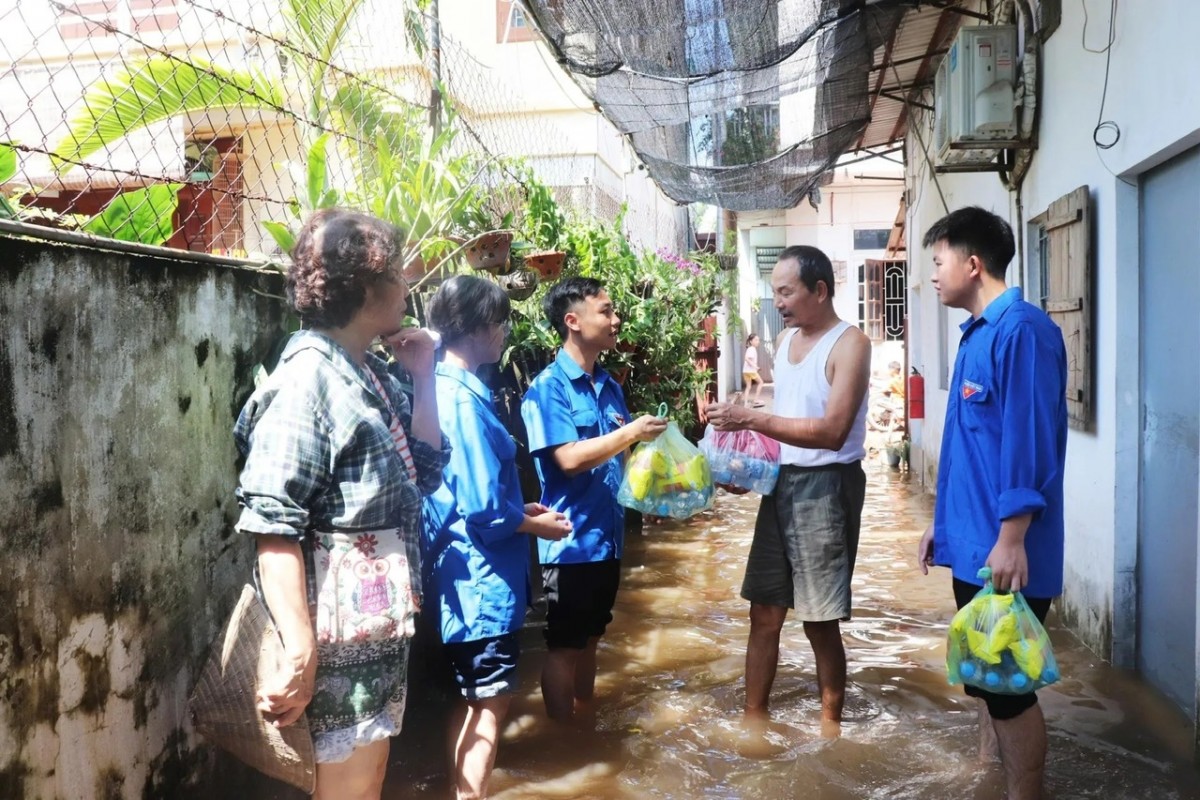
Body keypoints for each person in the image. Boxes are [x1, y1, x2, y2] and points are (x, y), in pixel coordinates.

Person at [233, 208, 450, 799]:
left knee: (366, 779)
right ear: (369, 285)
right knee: (347, 788)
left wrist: (424, 378)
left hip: (370, 633)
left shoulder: (367, 371)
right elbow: (272, 524)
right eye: (400, 274)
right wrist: (300, 651)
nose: (409, 286)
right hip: (333, 647)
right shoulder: (308, 381)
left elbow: (426, 471)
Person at [916, 207, 1067, 800]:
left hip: (1008, 551)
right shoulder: (977, 335)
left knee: (1008, 693)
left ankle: (1024, 792)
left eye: (938, 261)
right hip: (975, 543)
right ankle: (988, 776)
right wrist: (941, 528)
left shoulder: (1022, 331)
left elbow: (1028, 444)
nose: (931, 275)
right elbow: (970, 452)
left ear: (972, 264)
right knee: (985, 678)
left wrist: (1011, 537)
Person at [705, 245, 871, 731]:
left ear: (819, 290)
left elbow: (830, 431)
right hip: (782, 484)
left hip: (827, 487)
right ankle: (753, 720)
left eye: (786, 291)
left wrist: (751, 417)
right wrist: (746, 470)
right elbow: (786, 424)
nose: (777, 302)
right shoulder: (786, 343)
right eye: (774, 291)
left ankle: (829, 729)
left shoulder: (850, 344)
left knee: (820, 620)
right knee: (764, 612)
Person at [422, 276, 573, 799]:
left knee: (471, 701)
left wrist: (518, 508)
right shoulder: (463, 402)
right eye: (500, 321)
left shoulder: (443, 387)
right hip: (482, 583)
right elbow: (485, 509)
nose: (505, 330)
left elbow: (476, 494)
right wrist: (535, 523)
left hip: (459, 578)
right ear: (480, 328)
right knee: (491, 706)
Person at [520, 277, 668, 724]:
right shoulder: (549, 389)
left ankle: (585, 723)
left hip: (607, 539)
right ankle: (565, 743)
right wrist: (629, 433)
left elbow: (620, 458)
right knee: (565, 646)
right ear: (573, 321)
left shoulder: (608, 384)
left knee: (590, 640)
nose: (616, 319)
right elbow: (567, 459)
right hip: (570, 543)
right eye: (605, 311)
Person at [742, 333, 765, 407]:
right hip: (751, 371)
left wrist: (755, 366)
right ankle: (756, 400)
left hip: (745, 371)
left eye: (758, 340)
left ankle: (745, 403)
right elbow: (747, 358)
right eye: (756, 340)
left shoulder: (750, 349)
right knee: (761, 382)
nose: (758, 341)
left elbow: (747, 359)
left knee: (748, 386)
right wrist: (755, 366)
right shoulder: (752, 349)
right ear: (751, 341)